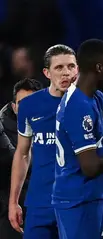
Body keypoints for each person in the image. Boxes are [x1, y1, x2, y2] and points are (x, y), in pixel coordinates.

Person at [53, 39, 103, 239]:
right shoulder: (78, 107)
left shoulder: (93, 97)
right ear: (98, 67)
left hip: (89, 197)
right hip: (77, 202)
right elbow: (90, 167)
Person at [8, 45, 78, 239]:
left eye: (71, 66)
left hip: (77, 202)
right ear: (47, 72)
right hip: (40, 203)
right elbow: (22, 153)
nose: (66, 73)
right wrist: (13, 202)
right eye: (59, 67)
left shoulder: (91, 102)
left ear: (78, 69)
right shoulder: (30, 106)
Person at [0, 78, 42, 239]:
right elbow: (15, 162)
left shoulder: (54, 123)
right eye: (22, 103)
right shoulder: (2, 127)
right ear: (14, 107)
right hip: (9, 204)